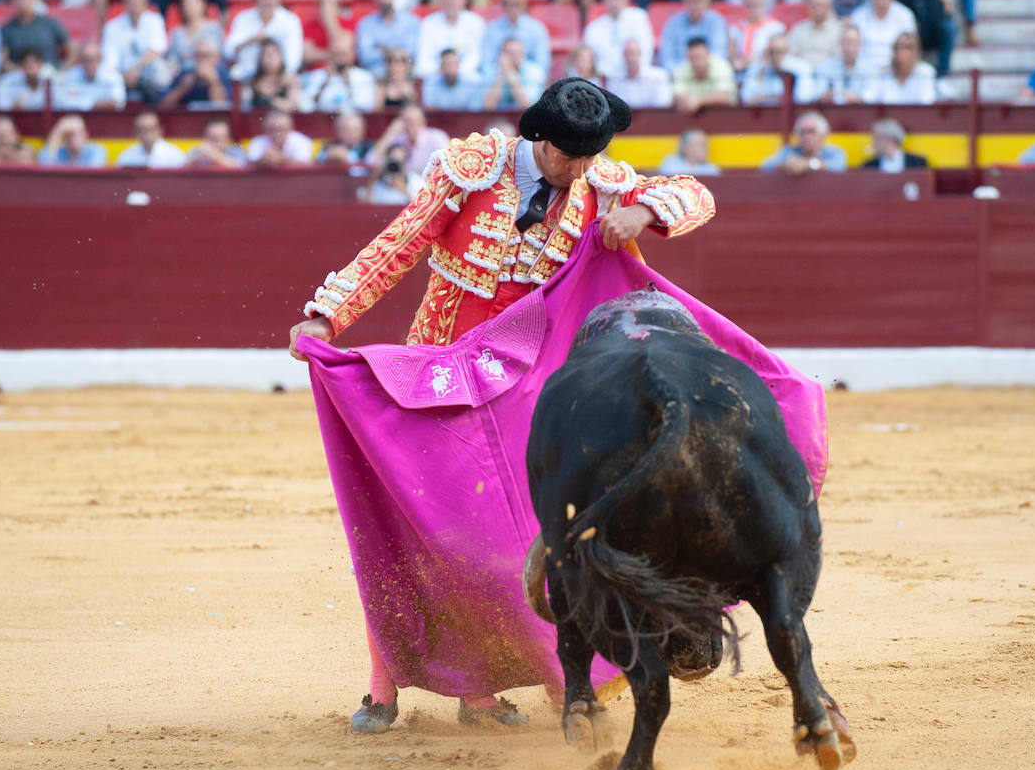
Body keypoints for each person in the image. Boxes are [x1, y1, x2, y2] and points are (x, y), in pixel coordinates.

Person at [287, 78, 717, 733]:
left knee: (515, 535)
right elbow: (399, 244)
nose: (577, 171)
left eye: (587, 159)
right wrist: (326, 316)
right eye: (567, 157)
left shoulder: (600, 181)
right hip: (440, 375)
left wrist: (649, 211)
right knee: (417, 529)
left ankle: (509, 684)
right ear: (538, 138)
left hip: (525, 390)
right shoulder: (472, 168)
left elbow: (698, 194)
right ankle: (382, 687)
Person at [101, 0, 171, 102]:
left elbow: (157, 49)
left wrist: (136, 70)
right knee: (105, 74)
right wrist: (124, 75)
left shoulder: (155, 20)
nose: (134, 7)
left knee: (159, 69)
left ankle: (159, 107)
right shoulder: (112, 26)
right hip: (121, 76)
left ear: (145, 4)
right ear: (124, 4)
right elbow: (110, 60)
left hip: (147, 74)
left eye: (138, 3)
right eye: (131, 3)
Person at [224, 0, 302, 81]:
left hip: (279, 79)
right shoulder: (243, 18)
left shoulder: (290, 20)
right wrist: (252, 39)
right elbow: (228, 51)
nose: (268, 0)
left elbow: (294, 57)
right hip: (246, 76)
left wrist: (283, 79)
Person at [414, 0, 486, 79]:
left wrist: (456, 72)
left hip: (466, 78)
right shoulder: (428, 23)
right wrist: (442, 72)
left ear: (463, 0)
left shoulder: (476, 22)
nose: (451, 2)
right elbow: (424, 58)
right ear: (442, 0)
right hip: (436, 77)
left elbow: (475, 56)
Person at [583, 0, 654, 79]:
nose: (615, 1)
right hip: (605, 80)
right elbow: (590, 61)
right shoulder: (593, 28)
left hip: (635, 77)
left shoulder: (639, 18)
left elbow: (646, 51)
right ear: (604, 0)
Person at [849, 0, 917, 72]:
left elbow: (910, 50)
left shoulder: (905, 16)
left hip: (896, 73)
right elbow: (852, 51)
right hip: (863, 74)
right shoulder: (858, 16)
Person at [658, 0, 728, 72]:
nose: (694, 5)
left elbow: (719, 54)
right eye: (689, 1)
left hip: (709, 75)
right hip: (679, 77)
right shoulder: (672, 23)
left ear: (708, 1)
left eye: (698, 1)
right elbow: (666, 59)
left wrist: (700, 70)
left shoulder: (717, 22)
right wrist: (685, 73)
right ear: (683, 1)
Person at [354, 0, 420, 79]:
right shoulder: (365, 24)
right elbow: (365, 57)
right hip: (375, 77)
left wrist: (383, 49)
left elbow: (410, 54)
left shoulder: (411, 22)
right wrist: (396, 51)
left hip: (405, 76)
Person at [481, 0, 551, 77]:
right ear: (502, 5)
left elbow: (542, 65)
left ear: (524, 4)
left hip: (527, 80)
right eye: (507, 3)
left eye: (516, 3)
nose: (511, 7)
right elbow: (486, 64)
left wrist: (520, 66)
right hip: (498, 79)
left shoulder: (537, 29)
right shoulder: (492, 28)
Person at [299, 31, 377, 113]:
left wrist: (349, 85)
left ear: (352, 54)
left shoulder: (364, 78)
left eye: (343, 54)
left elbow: (366, 107)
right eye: (336, 54)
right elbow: (305, 106)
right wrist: (323, 84)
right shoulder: (317, 76)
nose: (340, 59)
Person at [0, 0, 70, 70]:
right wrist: (24, 71)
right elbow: (3, 61)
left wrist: (63, 71)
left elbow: (72, 49)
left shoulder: (50, 23)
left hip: (49, 73)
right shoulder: (7, 29)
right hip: (19, 75)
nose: (21, 2)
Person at [727, 0, 785, 81]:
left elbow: (778, 54)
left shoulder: (775, 27)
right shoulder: (736, 28)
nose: (754, 9)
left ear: (764, 4)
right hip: (741, 71)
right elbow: (732, 55)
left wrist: (758, 62)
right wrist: (738, 62)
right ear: (745, 5)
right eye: (750, 6)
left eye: (757, 5)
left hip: (767, 72)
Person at [740, 32, 819, 104]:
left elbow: (804, 98)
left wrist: (767, 97)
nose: (775, 56)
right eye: (772, 52)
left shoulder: (801, 68)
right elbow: (746, 98)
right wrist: (762, 71)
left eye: (780, 52)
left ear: (789, 52)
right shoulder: (759, 68)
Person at [759, 110, 848, 173]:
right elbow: (766, 166)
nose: (807, 136)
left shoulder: (834, 152)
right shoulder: (788, 151)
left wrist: (808, 165)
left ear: (822, 135)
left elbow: (839, 166)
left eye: (811, 131)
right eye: (802, 132)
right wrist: (787, 166)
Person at [861, 29, 936, 103]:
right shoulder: (882, 73)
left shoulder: (926, 72)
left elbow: (927, 103)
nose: (901, 52)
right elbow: (868, 99)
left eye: (907, 47)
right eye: (897, 47)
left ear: (915, 51)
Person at [167, 0, 225, 72]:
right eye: (185, 2)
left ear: (203, 3)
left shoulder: (213, 28)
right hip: (181, 76)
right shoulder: (177, 32)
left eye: (194, 2)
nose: (189, 6)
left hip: (206, 73)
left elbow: (215, 57)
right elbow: (172, 60)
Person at [159, 37, 231, 108]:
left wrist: (214, 83)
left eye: (205, 55)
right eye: (197, 55)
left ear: (216, 58)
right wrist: (181, 89)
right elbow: (163, 107)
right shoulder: (185, 73)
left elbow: (222, 109)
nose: (201, 60)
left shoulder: (223, 74)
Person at [53, 40, 126, 110]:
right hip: (78, 118)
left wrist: (84, 104)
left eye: (92, 60)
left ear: (100, 60)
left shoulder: (113, 77)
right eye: (85, 60)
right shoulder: (72, 75)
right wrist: (97, 104)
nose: (89, 64)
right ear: (80, 61)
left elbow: (117, 104)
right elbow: (64, 102)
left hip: (107, 120)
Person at [672, 36, 737, 113]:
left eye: (698, 57)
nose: (695, 63)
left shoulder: (722, 67)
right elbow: (677, 97)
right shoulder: (681, 70)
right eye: (691, 58)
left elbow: (724, 97)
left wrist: (698, 101)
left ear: (708, 54)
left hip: (724, 116)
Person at [301, 0, 355, 70]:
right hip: (317, 74)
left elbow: (343, 50)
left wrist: (330, 21)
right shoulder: (308, 25)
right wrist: (332, 55)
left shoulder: (349, 23)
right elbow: (307, 55)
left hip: (343, 72)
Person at [481, 36, 546, 111]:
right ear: (502, 55)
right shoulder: (491, 71)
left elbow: (526, 105)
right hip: (498, 118)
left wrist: (511, 73)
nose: (514, 57)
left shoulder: (535, 72)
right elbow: (488, 106)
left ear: (523, 54)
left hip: (527, 119)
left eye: (517, 53)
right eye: (510, 53)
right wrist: (501, 75)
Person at [607, 36, 674, 108]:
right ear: (623, 55)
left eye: (633, 53)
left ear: (640, 53)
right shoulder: (614, 79)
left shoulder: (658, 77)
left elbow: (663, 105)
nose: (630, 58)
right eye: (627, 54)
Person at [812, 21, 871, 101]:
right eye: (846, 42)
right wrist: (826, 96)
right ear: (840, 44)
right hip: (831, 111)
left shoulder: (870, 69)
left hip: (860, 112)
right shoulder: (826, 67)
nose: (849, 48)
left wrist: (856, 99)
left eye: (853, 43)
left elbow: (871, 98)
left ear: (860, 45)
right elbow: (817, 95)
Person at [788, 0, 845, 67]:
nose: (816, 8)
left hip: (829, 74)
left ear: (828, 6)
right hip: (802, 74)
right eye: (812, 4)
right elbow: (791, 55)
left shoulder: (839, 30)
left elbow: (839, 59)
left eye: (819, 4)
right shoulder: (798, 29)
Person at [116, 111, 186, 168]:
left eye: (150, 129)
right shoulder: (126, 156)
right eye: (141, 130)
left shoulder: (175, 155)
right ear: (135, 132)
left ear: (160, 130)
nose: (146, 134)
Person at [315, 108, 375, 174]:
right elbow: (317, 162)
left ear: (362, 130)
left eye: (354, 130)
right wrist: (327, 157)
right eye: (346, 129)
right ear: (338, 130)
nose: (350, 134)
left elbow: (369, 169)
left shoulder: (370, 147)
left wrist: (348, 157)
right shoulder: (330, 145)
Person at [246, 38, 300, 111]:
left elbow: (292, 106)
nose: (268, 59)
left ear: (281, 57)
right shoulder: (253, 82)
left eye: (271, 55)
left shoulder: (290, 80)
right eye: (264, 55)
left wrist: (269, 99)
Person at [247, 108, 313, 167]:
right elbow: (249, 164)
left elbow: (304, 164)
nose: (277, 134)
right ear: (265, 129)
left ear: (291, 128)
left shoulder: (302, 141)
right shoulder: (257, 141)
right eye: (272, 130)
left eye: (281, 130)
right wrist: (263, 161)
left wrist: (280, 159)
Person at [37, 113, 108, 166]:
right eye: (69, 133)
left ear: (86, 134)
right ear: (64, 137)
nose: (73, 137)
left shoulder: (97, 150)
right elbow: (43, 164)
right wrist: (58, 131)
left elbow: (90, 174)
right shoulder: (58, 152)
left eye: (78, 132)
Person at [860, 117, 928, 170]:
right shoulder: (869, 166)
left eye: (877, 138)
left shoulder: (918, 163)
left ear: (890, 139)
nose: (873, 142)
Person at [374, 47, 419, 111]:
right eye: (390, 60)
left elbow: (417, 112)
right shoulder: (381, 87)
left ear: (407, 64)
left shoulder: (415, 85)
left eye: (400, 60)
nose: (394, 65)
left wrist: (409, 94)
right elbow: (377, 112)